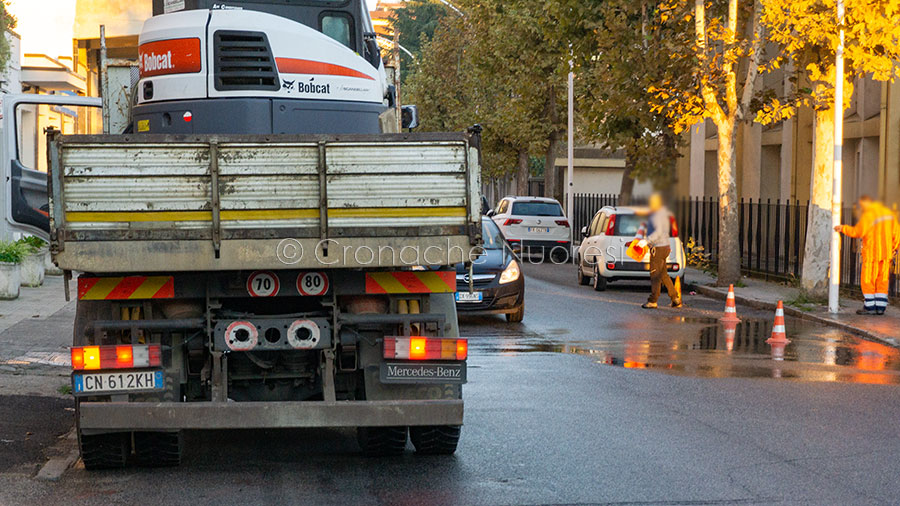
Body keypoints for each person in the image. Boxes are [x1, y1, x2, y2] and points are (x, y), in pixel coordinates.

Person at [834, 196, 900, 315]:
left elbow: (858, 232)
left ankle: (870, 307)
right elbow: (897, 235)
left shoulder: (869, 217)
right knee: (882, 281)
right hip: (886, 254)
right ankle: (880, 307)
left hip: (871, 254)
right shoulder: (890, 216)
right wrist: (894, 248)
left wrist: (843, 228)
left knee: (868, 280)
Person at [641, 193, 682, 309]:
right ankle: (675, 298)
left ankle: (653, 301)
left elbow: (658, 232)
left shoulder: (656, 215)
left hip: (658, 249)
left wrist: (647, 241)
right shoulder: (664, 214)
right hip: (665, 247)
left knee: (655, 275)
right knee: (663, 275)